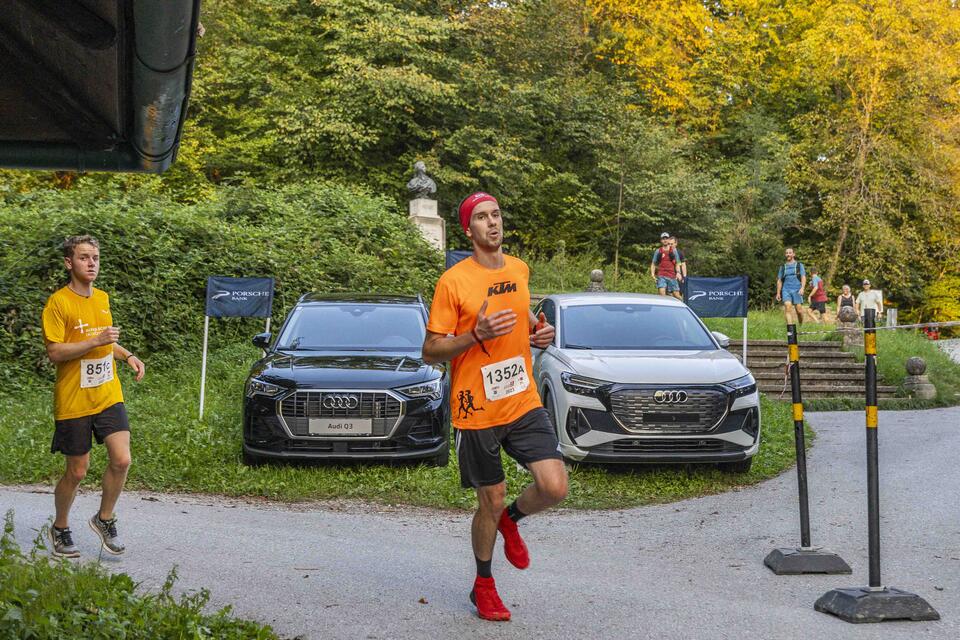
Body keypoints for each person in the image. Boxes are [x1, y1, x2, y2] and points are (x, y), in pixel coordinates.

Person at [422, 192, 568, 623]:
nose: (492, 223)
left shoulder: (520, 269)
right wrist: (474, 335)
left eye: (497, 215)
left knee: (554, 486)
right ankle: (483, 583)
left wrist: (538, 333)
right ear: (469, 230)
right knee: (490, 498)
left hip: (521, 398)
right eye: (482, 218)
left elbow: (521, 323)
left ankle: (512, 519)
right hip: (476, 408)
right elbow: (431, 350)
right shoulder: (453, 281)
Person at [42, 236, 145, 558]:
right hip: (74, 399)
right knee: (77, 471)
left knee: (122, 459)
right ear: (68, 263)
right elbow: (55, 352)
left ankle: (104, 518)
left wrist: (127, 355)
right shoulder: (58, 303)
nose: (92, 263)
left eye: (96, 258)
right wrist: (94, 341)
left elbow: (105, 342)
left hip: (107, 393)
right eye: (84, 257)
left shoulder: (101, 298)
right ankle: (60, 527)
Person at [775, 248, 806, 324]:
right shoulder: (783, 267)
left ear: (793, 254)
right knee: (787, 307)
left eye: (790, 253)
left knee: (799, 310)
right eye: (786, 253)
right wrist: (778, 293)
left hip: (797, 290)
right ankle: (790, 330)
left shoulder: (799, 265)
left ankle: (800, 325)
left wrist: (802, 288)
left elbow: (803, 277)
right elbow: (779, 280)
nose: (788, 254)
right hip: (786, 290)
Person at [650, 232, 683, 300]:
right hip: (661, 275)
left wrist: (678, 273)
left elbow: (677, 263)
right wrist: (653, 274)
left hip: (672, 275)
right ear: (661, 240)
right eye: (663, 238)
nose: (665, 240)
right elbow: (653, 264)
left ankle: (684, 305)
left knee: (676, 295)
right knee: (662, 295)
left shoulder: (673, 251)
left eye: (666, 238)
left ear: (668, 240)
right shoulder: (658, 251)